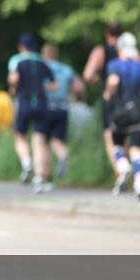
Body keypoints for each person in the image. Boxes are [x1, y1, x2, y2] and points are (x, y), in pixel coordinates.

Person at [105, 32, 140, 199]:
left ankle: (124, 167)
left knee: (117, 145)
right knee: (136, 149)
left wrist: (109, 94)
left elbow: (113, 82)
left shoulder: (114, 65)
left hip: (120, 112)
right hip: (137, 112)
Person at [8, 33, 55, 192]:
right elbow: (54, 84)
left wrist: (13, 90)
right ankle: (39, 177)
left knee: (20, 136)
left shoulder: (17, 60)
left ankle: (27, 162)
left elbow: (14, 79)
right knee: (39, 141)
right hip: (42, 104)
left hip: (25, 103)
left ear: (21, 47)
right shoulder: (42, 61)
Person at [83, 22, 123, 173]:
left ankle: (120, 171)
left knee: (110, 137)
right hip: (130, 99)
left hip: (110, 98)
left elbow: (88, 75)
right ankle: (128, 169)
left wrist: (99, 81)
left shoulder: (101, 51)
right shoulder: (128, 51)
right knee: (126, 136)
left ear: (107, 34)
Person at [42, 43, 84, 179]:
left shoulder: (42, 68)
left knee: (44, 142)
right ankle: (63, 155)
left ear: (45, 55)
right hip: (63, 108)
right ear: (56, 55)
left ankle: (45, 174)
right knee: (58, 140)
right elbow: (79, 87)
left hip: (46, 108)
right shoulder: (67, 69)